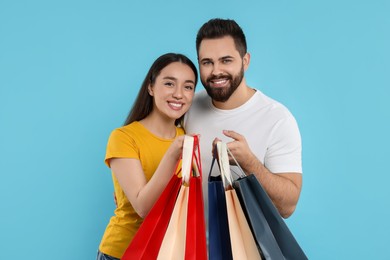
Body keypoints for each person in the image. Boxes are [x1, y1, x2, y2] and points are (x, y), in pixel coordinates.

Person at [184, 18, 302, 219]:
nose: (216, 71)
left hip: (248, 250)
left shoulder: (277, 118)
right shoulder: (187, 106)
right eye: (207, 62)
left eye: (226, 60)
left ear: (245, 61)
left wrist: (249, 163)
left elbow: (288, 207)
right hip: (187, 250)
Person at [97, 53, 198, 260]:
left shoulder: (186, 138)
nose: (179, 94)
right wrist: (171, 155)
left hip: (167, 253)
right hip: (124, 252)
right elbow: (143, 207)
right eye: (169, 84)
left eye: (188, 87)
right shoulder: (123, 137)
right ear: (151, 87)